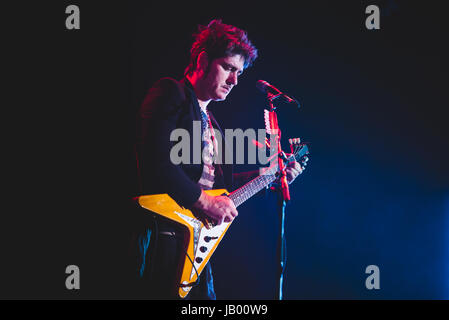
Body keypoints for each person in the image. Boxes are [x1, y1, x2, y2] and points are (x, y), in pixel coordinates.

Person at [132, 19, 306, 299]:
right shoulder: (170, 93)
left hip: (195, 249)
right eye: (228, 68)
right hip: (162, 238)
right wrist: (204, 202)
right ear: (202, 60)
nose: (235, 80)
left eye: (239, 72)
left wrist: (266, 177)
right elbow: (157, 162)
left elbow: (220, 188)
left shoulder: (214, 126)